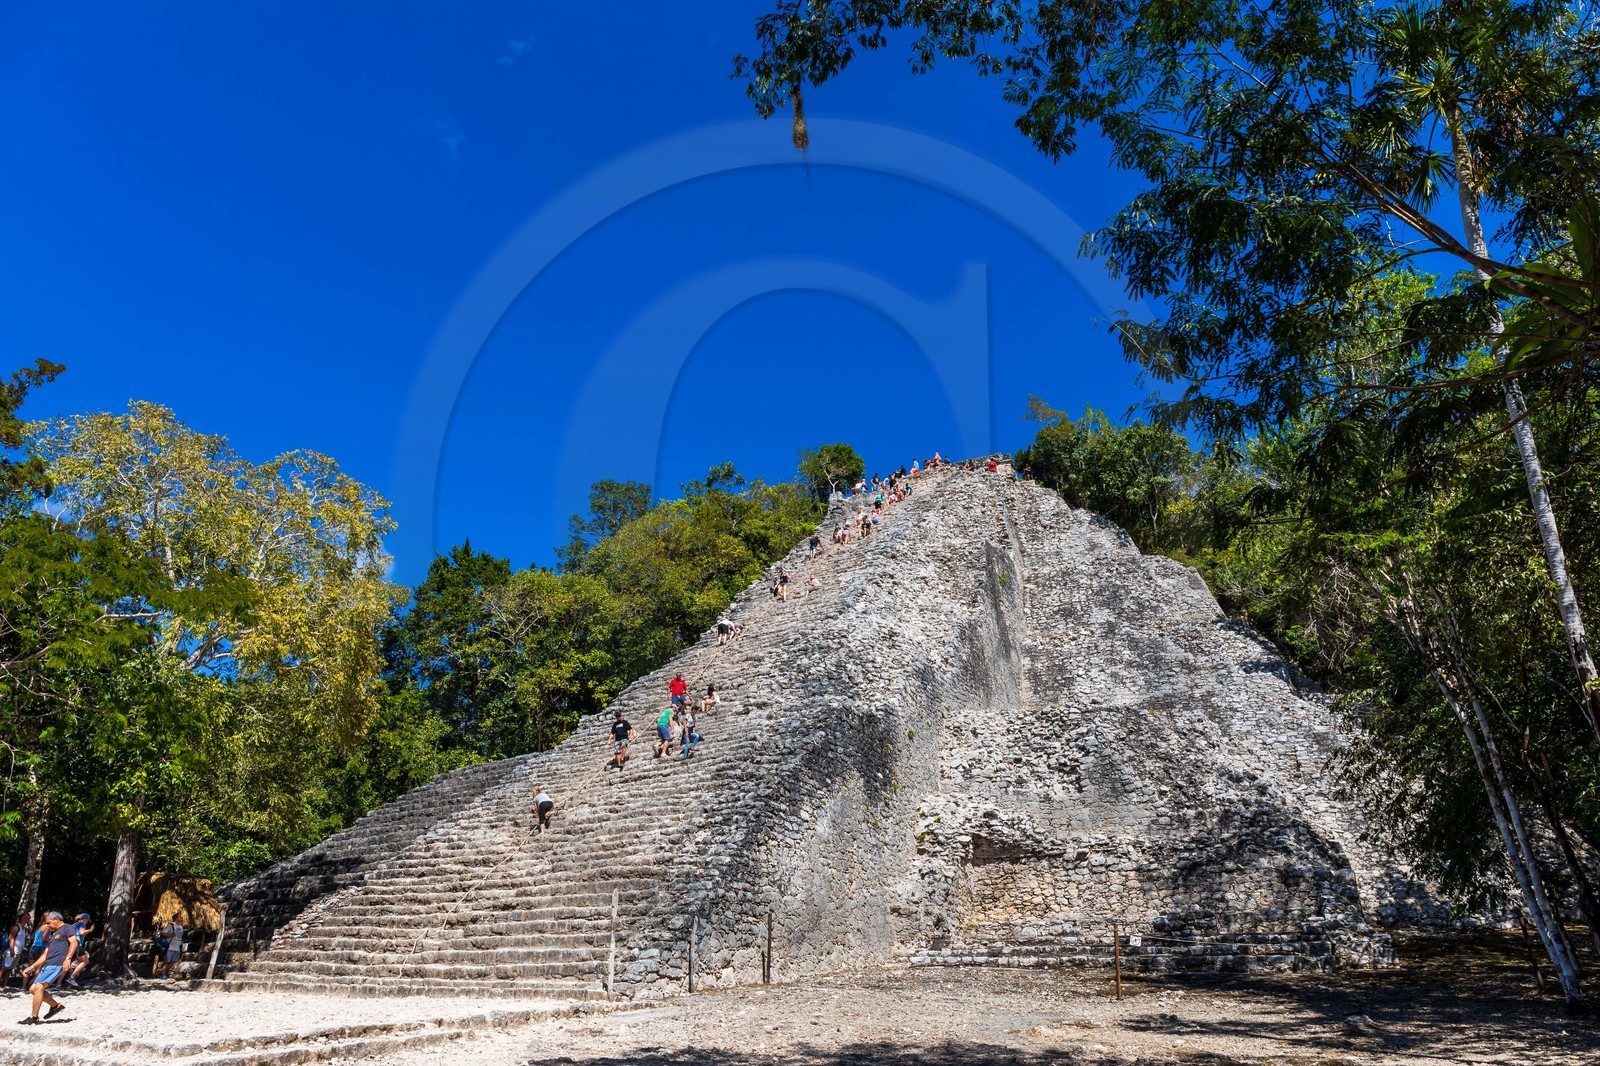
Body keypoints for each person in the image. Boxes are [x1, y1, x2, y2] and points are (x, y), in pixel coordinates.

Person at [19, 912, 76, 1024]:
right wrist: (32, 967)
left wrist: (68, 958)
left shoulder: (67, 928)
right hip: (48, 965)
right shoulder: (54, 934)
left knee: (38, 988)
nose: (47, 925)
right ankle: (55, 1006)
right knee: (32, 989)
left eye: (49, 923)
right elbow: (45, 954)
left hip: (57, 964)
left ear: (56, 919)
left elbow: (74, 943)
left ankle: (34, 1017)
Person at [63, 914, 94, 987]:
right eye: (87, 920)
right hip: (77, 945)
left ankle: (58, 984)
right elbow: (81, 932)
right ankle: (71, 977)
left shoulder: (74, 924)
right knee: (85, 961)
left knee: (67, 963)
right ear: (84, 919)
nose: (87, 922)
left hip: (69, 945)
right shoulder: (82, 924)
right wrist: (90, 930)